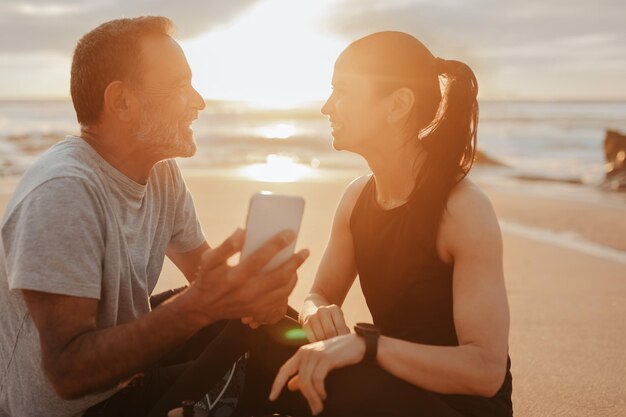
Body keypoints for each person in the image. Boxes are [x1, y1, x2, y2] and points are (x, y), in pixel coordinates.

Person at [0, 17, 308, 417]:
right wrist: (201, 305)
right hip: (79, 407)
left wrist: (254, 294)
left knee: (275, 330)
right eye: (181, 87)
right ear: (122, 102)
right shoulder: (63, 193)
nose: (198, 102)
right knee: (263, 357)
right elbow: (68, 375)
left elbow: (205, 278)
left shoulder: (160, 172)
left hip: (129, 373)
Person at [269, 31, 513, 416]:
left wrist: (367, 346)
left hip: (455, 405)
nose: (327, 107)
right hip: (386, 380)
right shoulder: (356, 198)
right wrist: (315, 313)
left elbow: (485, 372)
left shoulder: (462, 209)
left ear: (397, 104)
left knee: (339, 385)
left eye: (343, 91)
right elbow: (318, 293)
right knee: (263, 328)